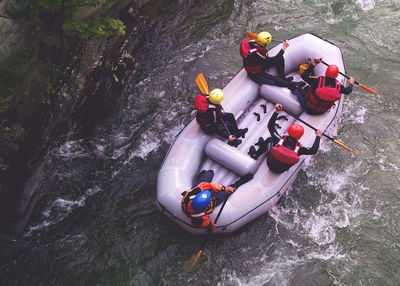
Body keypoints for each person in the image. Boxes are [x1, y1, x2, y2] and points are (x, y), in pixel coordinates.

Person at [248, 103, 323, 173]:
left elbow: (270, 125)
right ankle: (263, 149)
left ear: (288, 131)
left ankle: (255, 154)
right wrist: (318, 136)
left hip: (270, 164)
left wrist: (277, 111)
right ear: (300, 136)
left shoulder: (278, 139)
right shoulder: (299, 149)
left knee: (270, 139)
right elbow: (313, 150)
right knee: (274, 142)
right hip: (282, 170)